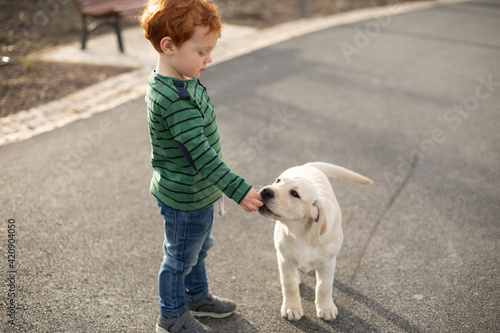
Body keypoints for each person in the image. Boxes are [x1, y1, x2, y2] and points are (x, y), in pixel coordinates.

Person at [140, 0, 263, 332]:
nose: (209, 58)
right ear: (169, 46)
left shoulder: (180, 78)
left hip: (196, 192)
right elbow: (203, 156)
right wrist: (239, 190)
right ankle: (172, 317)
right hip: (186, 198)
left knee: (198, 247)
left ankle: (197, 297)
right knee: (178, 258)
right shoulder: (175, 100)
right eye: (201, 51)